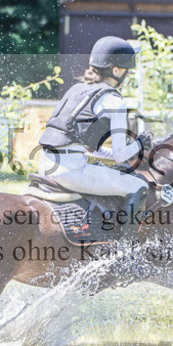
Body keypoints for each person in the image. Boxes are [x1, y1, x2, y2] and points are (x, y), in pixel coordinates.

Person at [38, 36, 152, 237]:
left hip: (45, 163)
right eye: (127, 70)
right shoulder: (115, 101)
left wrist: (105, 157)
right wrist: (140, 143)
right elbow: (120, 155)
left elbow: (89, 148)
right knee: (139, 185)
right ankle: (127, 254)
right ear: (116, 70)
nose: (127, 75)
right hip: (70, 171)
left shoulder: (77, 89)